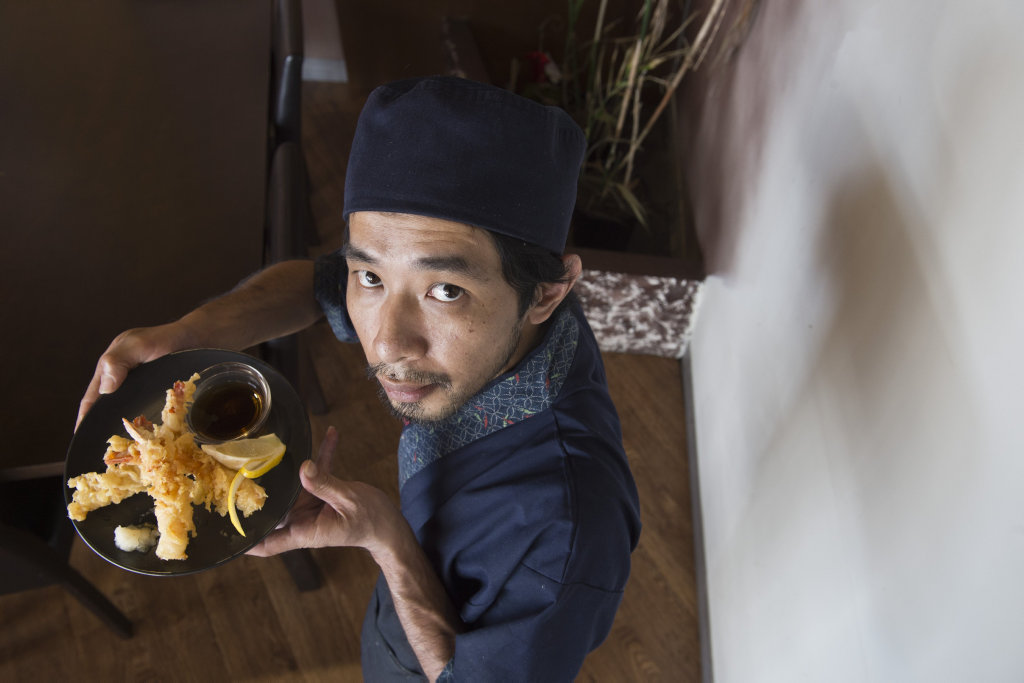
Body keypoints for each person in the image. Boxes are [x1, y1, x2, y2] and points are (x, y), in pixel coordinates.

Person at [76, 76, 641, 682]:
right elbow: (317, 287)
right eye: (370, 277)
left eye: (445, 290)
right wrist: (189, 333)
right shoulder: (511, 301)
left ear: (548, 295)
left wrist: (389, 542)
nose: (387, 342)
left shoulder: (567, 532)